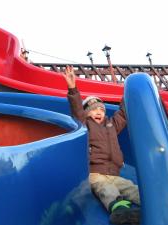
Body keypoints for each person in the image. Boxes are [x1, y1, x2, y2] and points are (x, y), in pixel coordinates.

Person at [62, 65, 140, 224]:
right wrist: (72, 88)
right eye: (93, 110)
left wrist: (128, 94)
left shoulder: (112, 125)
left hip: (114, 173)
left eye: (101, 110)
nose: (98, 112)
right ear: (86, 113)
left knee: (131, 188)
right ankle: (120, 210)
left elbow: (123, 114)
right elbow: (77, 110)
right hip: (95, 173)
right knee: (106, 189)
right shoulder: (85, 125)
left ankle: (154, 203)